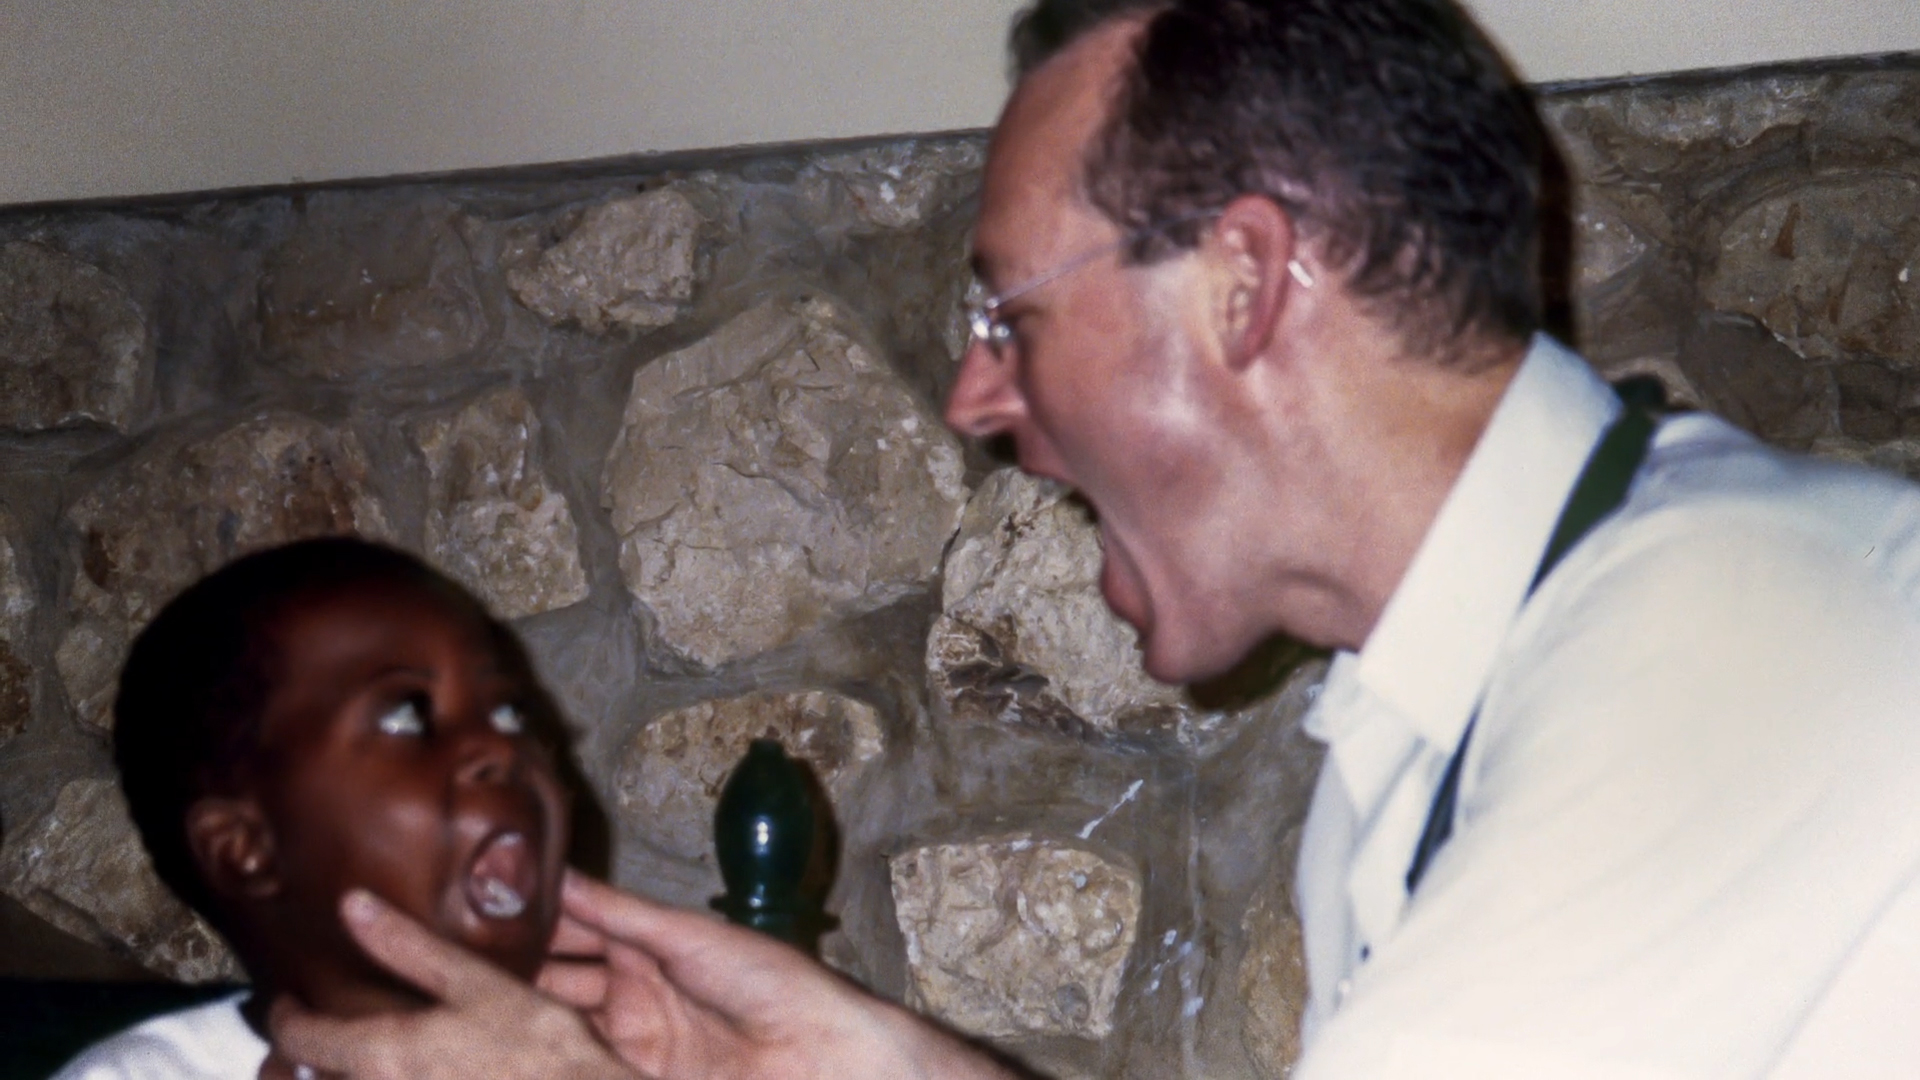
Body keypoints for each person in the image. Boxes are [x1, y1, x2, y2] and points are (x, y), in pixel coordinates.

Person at [273, 1, 1920, 1077]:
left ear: (1245, 282)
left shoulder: (1733, 631)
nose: (973, 394)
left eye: (1005, 310)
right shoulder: (1414, 739)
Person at [54, 538, 589, 1080]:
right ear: (246, 849)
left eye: (510, 715)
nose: (502, 748)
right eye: (405, 717)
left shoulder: (605, 1057)